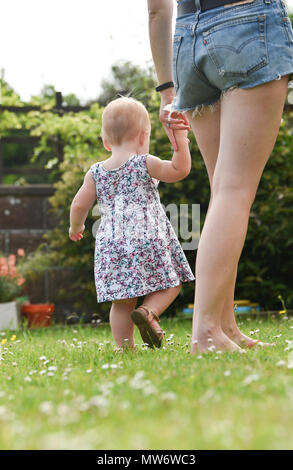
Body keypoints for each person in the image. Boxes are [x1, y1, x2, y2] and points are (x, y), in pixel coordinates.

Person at [148, 0, 293, 352]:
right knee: (234, 191)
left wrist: (167, 89)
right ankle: (207, 331)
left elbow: (156, 9)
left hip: (186, 41)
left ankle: (225, 324)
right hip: (249, 25)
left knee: (224, 192)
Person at [69, 96, 195, 350]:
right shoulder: (144, 163)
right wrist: (180, 140)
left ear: (106, 142)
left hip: (112, 244)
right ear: (143, 137)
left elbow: (79, 205)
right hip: (147, 236)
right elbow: (178, 171)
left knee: (122, 301)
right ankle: (149, 311)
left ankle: (125, 348)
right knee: (172, 283)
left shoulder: (95, 172)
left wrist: (76, 227)